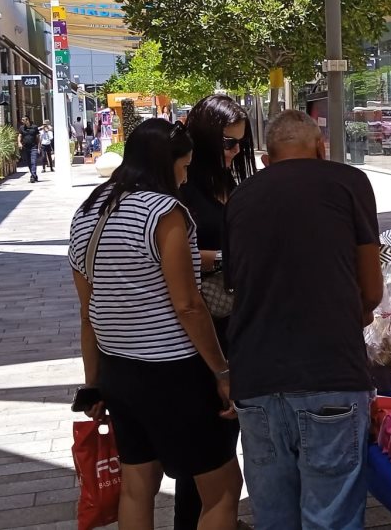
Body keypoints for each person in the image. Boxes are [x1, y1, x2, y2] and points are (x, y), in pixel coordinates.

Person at [69, 118, 241, 530]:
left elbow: (88, 313)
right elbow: (187, 304)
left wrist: (93, 382)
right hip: (174, 371)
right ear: (168, 165)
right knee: (222, 488)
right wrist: (222, 370)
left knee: (137, 485)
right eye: (183, 167)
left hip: (118, 370)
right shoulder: (165, 212)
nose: (184, 177)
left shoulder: (89, 211)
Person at [224, 110, 382, 530]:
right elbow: (372, 289)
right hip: (330, 371)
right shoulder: (349, 182)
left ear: (265, 159)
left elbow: (239, 286)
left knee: (274, 517)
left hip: (256, 380)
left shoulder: (241, 196)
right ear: (321, 147)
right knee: (331, 516)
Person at [174, 94, 256, 530]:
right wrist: (225, 257)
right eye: (227, 142)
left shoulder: (234, 183)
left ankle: (215, 518)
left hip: (237, 322)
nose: (235, 151)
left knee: (224, 437)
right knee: (207, 445)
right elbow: (175, 255)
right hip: (198, 326)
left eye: (240, 143)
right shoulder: (183, 188)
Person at [18, 116, 41, 183]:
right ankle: (34, 175)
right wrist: (19, 143)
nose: (22, 121)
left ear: (27, 120)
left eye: (23, 120)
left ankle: (32, 177)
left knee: (33, 162)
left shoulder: (34, 127)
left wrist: (39, 146)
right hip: (25, 147)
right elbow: (19, 136)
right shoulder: (22, 128)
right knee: (29, 163)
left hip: (34, 147)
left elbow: (38, 137)